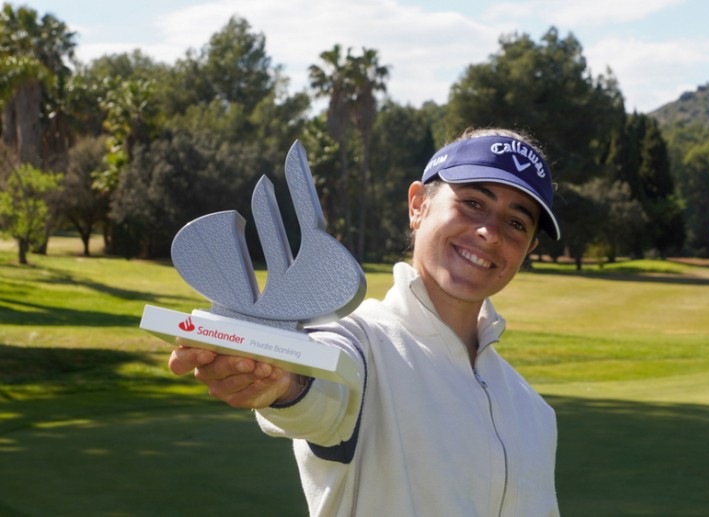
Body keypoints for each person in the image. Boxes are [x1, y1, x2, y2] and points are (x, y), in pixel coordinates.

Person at [168, 127, 562, 516]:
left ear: (529, 248)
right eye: (474, 203)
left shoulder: (534, 411)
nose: (490, 233)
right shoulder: (359, 340)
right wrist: (284, 381)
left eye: (516, 223)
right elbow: (324, 382)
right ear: (418, 205)